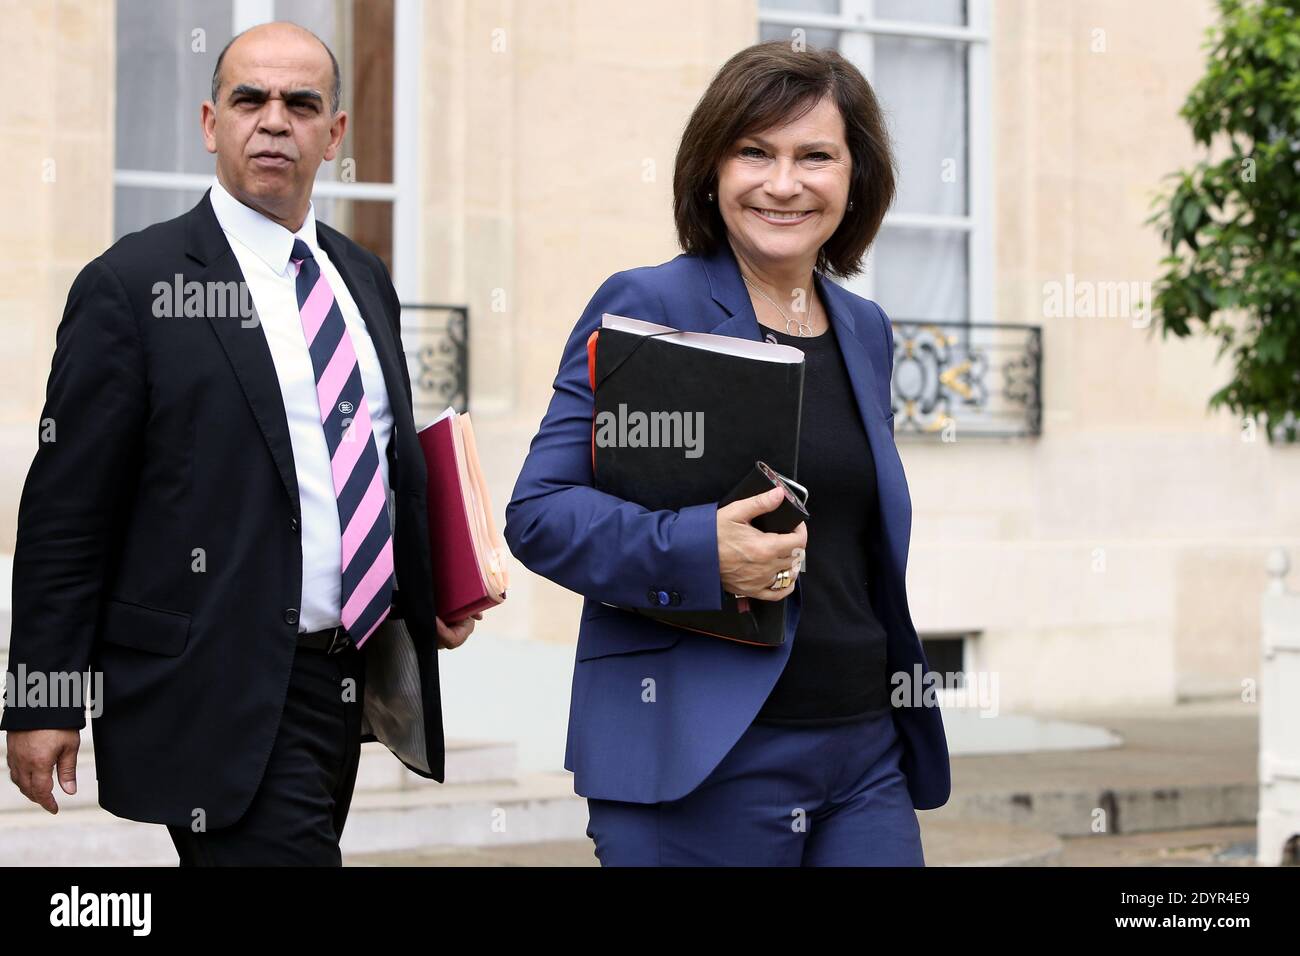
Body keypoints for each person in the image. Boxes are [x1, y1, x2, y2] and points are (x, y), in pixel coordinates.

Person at [1, 21, 476, 866]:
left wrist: (433, 583)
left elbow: (378, 460)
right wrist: (44, 698)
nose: (272, 120)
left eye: (301, 104)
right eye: (249, 98)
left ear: (333, 135)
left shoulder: (361, 278)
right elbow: (66, 513)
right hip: (217, 681)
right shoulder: (131, 285)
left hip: (346, 677)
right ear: (208, 121)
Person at [504, 40, 950, 866]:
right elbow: (539, 514)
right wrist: (700, 551)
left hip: (864, 752)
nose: (784, 184)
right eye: (755, 152)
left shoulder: (866, 330)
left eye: (815, 155)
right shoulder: (649, 302)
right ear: (712, 168)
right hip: (698, 759)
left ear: (855, 180)